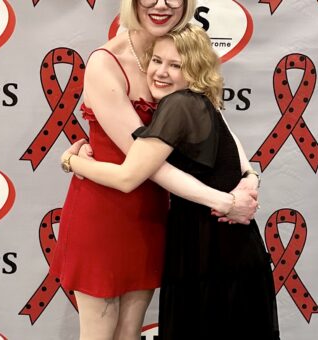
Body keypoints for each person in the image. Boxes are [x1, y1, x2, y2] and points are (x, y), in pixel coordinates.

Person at [48, 1, 261, 340]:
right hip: (105, 213)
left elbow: (217, 120)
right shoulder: (106, 63)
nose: (162, 4)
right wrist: (222, 201)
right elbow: (141, 166)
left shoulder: (177, 48)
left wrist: (249, 174)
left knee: (130, 332)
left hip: (153, 216)